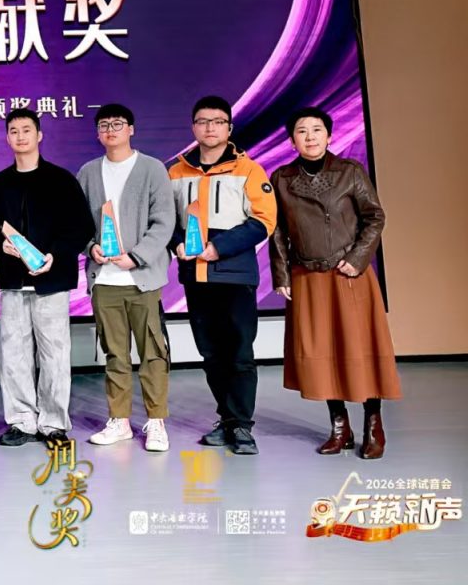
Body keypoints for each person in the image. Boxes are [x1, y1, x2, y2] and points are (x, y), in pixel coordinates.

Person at [271, 106, 400, 460]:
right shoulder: (281, 178)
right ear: (292, 140)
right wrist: (281, 274)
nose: (310, 137)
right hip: (307, 277)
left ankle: (373, 423)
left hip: (348, 274)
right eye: (302, 131)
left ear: (329, 136)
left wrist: (357, 258)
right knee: (322, 352)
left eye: (317, 130)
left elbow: (375, 217)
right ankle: (339, 427)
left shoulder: (350, 172)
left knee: (359, 348)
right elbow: (277, 230)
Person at [169, 95, 277, 457]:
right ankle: (227, 419)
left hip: (234, 274)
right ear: (193, 127)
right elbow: (165, 219)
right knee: (211, 353)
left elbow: (263, 220)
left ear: (229, 128)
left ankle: (242, 425)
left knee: (239, 352)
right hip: (195, 276)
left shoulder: (249, 169)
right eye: (203, 121)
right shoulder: (176, 172)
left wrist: (219, 247)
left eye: (217, 122)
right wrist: (176, 243)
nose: (210, 128)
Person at [0, 108, 94, 447]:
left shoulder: (61, 180)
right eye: (13, 131)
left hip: (52, 281)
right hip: (13, 283)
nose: (20, 136)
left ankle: (53, 423)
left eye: (26, 130)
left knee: (54, 354)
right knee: (13, 354)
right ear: (7, 138)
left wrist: (55, 255)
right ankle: (21, 421)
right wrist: (0, 244)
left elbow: (80, 228)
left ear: (39, 135)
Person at [76, 104, 177, 453]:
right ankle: (119, 421)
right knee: (115, 354)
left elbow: (164, 221)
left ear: (131, 129)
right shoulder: (88, 172)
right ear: (97, 132)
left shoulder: (152, 169)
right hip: (105, 281)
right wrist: (91, 248)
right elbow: (80, 224)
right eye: (104, 125)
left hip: (142, 278)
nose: (111, 130)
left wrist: (136, 256)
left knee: (153, 353)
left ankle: (156, 422)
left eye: (117, 124)